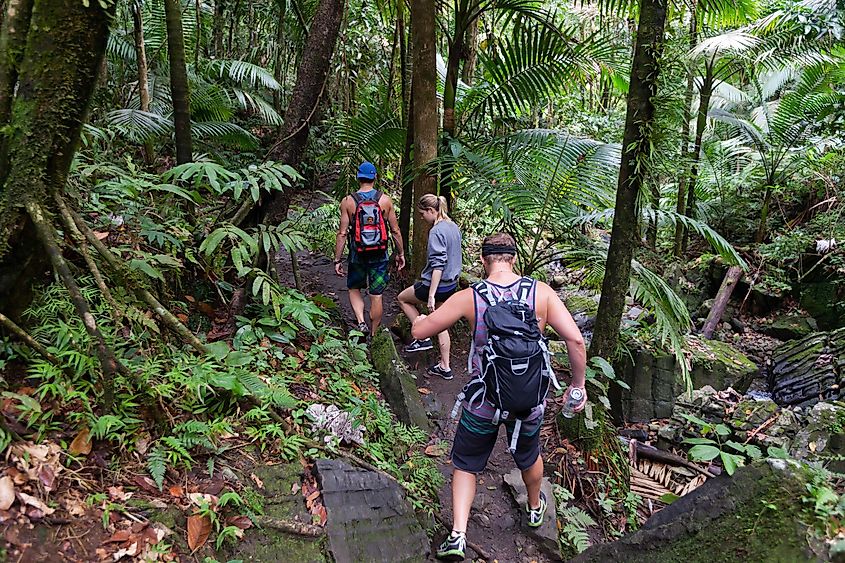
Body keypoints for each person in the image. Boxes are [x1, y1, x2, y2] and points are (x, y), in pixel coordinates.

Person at [411, 232, 587, 561]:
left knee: (466, 464)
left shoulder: (470, 296)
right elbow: (576, 341)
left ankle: (458, 536)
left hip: (483, 401)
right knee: (528, 454)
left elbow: (420, 332)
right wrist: (578, 385)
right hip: (528, 400)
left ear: (483, 260)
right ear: (514, 258)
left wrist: (420, 320)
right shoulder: (541, 293)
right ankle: (535, 508)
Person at [334, 162, 405, 336]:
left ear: (358, 177)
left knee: (354, 288)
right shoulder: (385, 200)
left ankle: (361, 322)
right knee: (377, 294)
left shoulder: (348, 201)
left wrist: (337, 259)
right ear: (374, 177)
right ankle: (374, 334)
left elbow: (342, 233)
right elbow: (395, 230)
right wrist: (401, 253)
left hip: (357, 253)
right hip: (380, 254)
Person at [398, 194, 463, 380]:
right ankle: (445, 366)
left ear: (431, 211)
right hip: (451, 285)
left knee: (402, 298)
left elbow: (438, 265)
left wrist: (432, 294)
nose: (420, 218)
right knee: (441, 322)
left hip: (437, 285)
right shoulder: (453, 226)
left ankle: (423, 337)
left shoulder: (436, 231)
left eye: (421, 213)